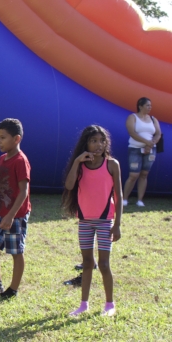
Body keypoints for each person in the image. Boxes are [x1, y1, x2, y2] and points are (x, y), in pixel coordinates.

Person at [62, 125, 122, 317]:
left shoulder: (112, 164)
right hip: (85, 221)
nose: (98, 145)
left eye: (102, 141)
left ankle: (109, 304)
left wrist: (118, 225)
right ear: (86, 143)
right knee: (87, 263)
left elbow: (118, 195)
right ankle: (83, 305)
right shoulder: (80, 165)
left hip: (105, 222)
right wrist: (78, 160)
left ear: (106, 144)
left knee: (104, 265)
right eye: (93, 140)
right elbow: (69, 185)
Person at [0, 118, 31, 300]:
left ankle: (13, 289)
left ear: (16, 139)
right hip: (1, 212)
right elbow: (3, 188)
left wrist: (10, 216)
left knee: (16, 252)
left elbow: (24, 191)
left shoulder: (20, 160)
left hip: (15, 215)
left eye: (3, 137)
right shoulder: (2, 158)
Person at [122, 97, 161, 207]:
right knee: (133, 175)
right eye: (147, 105)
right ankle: (124, 199)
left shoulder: (153, 119)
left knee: (144, 174)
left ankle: (140, 200)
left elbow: (158, 133)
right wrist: (146, 142)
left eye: (150, 106)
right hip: (135, 149)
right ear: (140, 106)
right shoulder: (132, 117)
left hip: (150, 150)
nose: (150, 107)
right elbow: (132, 132)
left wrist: (152, 143)